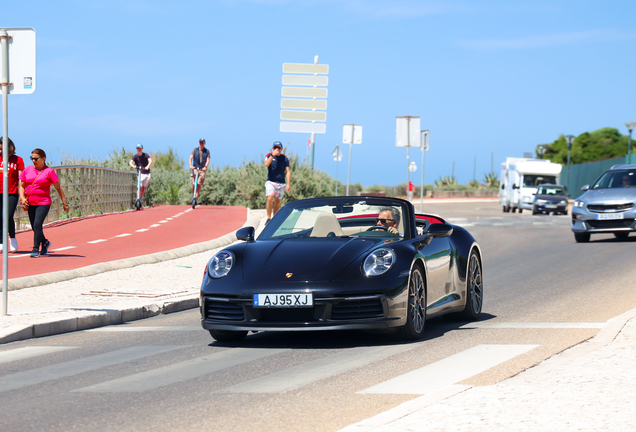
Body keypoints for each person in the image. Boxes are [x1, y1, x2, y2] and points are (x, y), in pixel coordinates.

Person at [19, 149, 70, 258]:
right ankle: (45, 242)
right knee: (34, 226)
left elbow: (58, 188)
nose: (33, 160)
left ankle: (35, 248)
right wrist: (22, 198)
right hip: (30, 202)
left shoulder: (49, 171)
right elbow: (21, 186)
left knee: (38, 224)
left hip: (43, 202)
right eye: (32, 158)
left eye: (36, 158)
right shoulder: (27, 170)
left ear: (43, 159)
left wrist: (64, 203)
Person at [0, 138, 25, 252]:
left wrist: (22, 194)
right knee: (0, 217)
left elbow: (21, 179)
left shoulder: (18, 160)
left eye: (3, 149)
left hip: (12, 191)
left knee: (8, 215)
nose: (1, 151)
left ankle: (13, 238)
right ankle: (1, 241)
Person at [264, 141, 291, 224]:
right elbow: (266, 164)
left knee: (277, 202)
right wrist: (273, 155)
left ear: (281, 149)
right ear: (273, 148)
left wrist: (288, 184)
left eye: (278, 148)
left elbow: (288, 171)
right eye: (275, 147)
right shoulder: (269, 155)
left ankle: (274, 220)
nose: (277, 149)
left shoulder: (285, 158)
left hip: (281, 183)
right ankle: (268, 218)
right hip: (271, 182)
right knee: (270, 198)